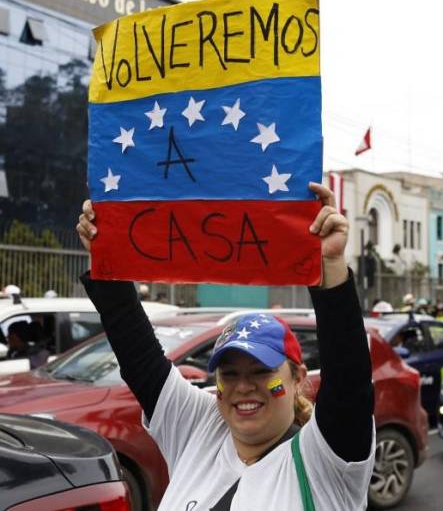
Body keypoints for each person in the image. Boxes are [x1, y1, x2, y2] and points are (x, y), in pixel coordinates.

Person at [76, 182, 374, 510]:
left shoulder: (324, 462)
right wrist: (107, 256)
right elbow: (139, 356)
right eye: (229, 374)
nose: (243, 387)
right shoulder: (199, 429)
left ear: (297, 377)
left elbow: (349, 382)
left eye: (261, 372)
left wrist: (330, 268)